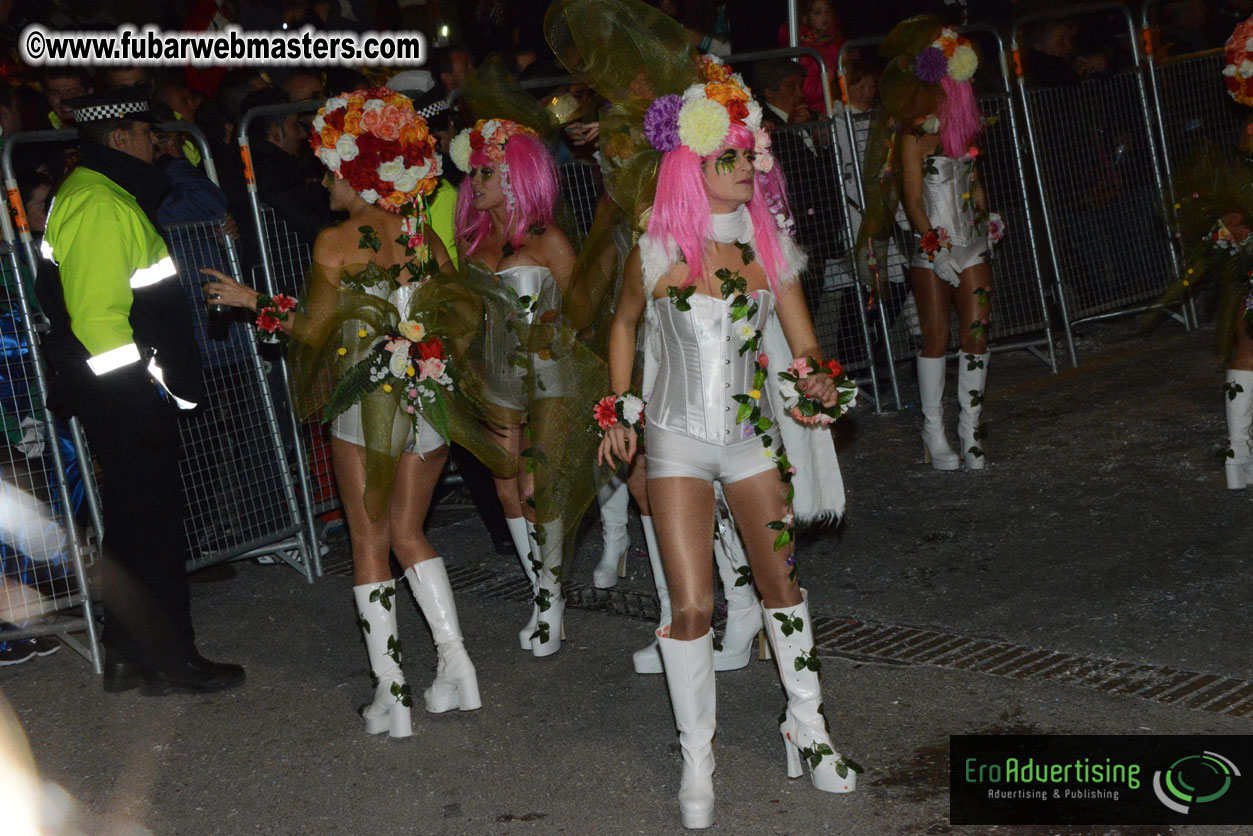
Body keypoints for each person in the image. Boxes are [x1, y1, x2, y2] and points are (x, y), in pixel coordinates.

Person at [591, 49, 860, 828]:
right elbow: (621, 323)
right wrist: (619, 407)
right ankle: (696, 761)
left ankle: (806, 729)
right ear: (691, 167)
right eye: (729, 157)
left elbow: (806, 344)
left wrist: (816, 379)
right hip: (675, 443)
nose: (748, 167)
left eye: (749, 155)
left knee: (782, 588)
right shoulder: (658, 245)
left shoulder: (767, 248)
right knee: (692, 606)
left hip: (748, 441)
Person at [203, 87, 498, 736]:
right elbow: (460, 314)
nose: (323, 179)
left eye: (333, 169)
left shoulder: (336, 243)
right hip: (428, 396)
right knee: (411, 534)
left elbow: (313, 331)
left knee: (369, 541)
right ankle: (456, 667)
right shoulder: (423, 239)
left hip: (365, 403)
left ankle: (393, 695)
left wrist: (251, 299)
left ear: (361, 178)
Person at [36, 86, 244, 695]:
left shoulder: (98, 192)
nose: (158, 146)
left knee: (130, 526)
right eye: (150, 136)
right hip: (123, 392)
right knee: (153, 531)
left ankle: (129, 654)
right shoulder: (100, 203)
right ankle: (171, 659)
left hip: (116, 390)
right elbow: (100, 321)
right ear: (121, 137)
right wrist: (138, 400)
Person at [449, 117, 589, 658]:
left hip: (550, 374)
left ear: (516, 175)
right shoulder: (472, 244)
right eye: (473, 172)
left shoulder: (546, 239)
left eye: (486, 171)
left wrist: (556, 326)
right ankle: (542, 594)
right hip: (497, 379)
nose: (474, 180)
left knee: (541, 486)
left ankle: (551, 603)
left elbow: (582, 309)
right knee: (507, 485)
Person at [857, 19, 1003, 471]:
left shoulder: (965, 129)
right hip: (932, 246)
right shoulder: (914, 132)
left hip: (971, 242)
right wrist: (934, 248)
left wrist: (989, 214)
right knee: (935, 337)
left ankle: (970, 428)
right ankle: (933, 430)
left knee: (977, 331)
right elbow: (913, 197)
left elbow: (973, 181)